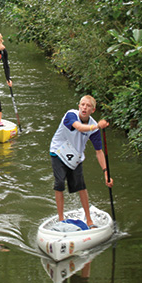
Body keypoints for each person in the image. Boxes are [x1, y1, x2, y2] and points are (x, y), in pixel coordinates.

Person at [49, 95, 113, 227]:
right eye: (82, 104)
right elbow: (78, 127)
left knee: (81, 187)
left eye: (88, 106)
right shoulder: (71, 115)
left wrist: (106, 173)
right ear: (79, 106)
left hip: (75, 156)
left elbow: (99, 152)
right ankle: (61, 220)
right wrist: (95, 127)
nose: (84, 107)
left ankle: (89, 220)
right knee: (60, 183)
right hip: (58, 151)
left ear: (93, 110)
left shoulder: (94, 126)